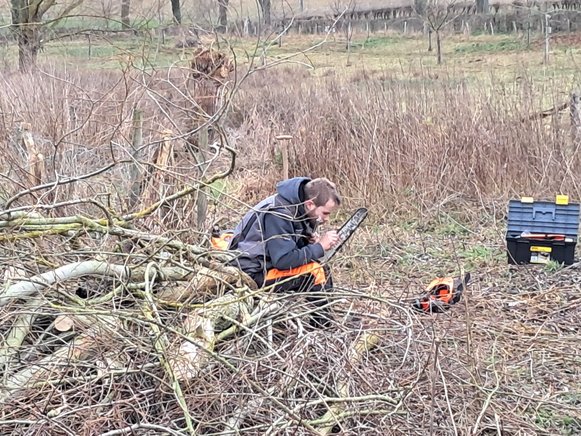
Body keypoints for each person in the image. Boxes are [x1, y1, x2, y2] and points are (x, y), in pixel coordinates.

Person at [227, 177, 342, 327]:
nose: (327, 219)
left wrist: (307, 241)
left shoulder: (297, 206)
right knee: (315, 272)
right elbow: (283, 260)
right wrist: (319, 247)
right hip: (251, 271)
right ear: (309, 204)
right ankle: (323, 329)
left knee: (321, 268)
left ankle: (325, 321)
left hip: (266, 263)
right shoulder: (279, 214)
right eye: (325, 213)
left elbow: (286, 244)